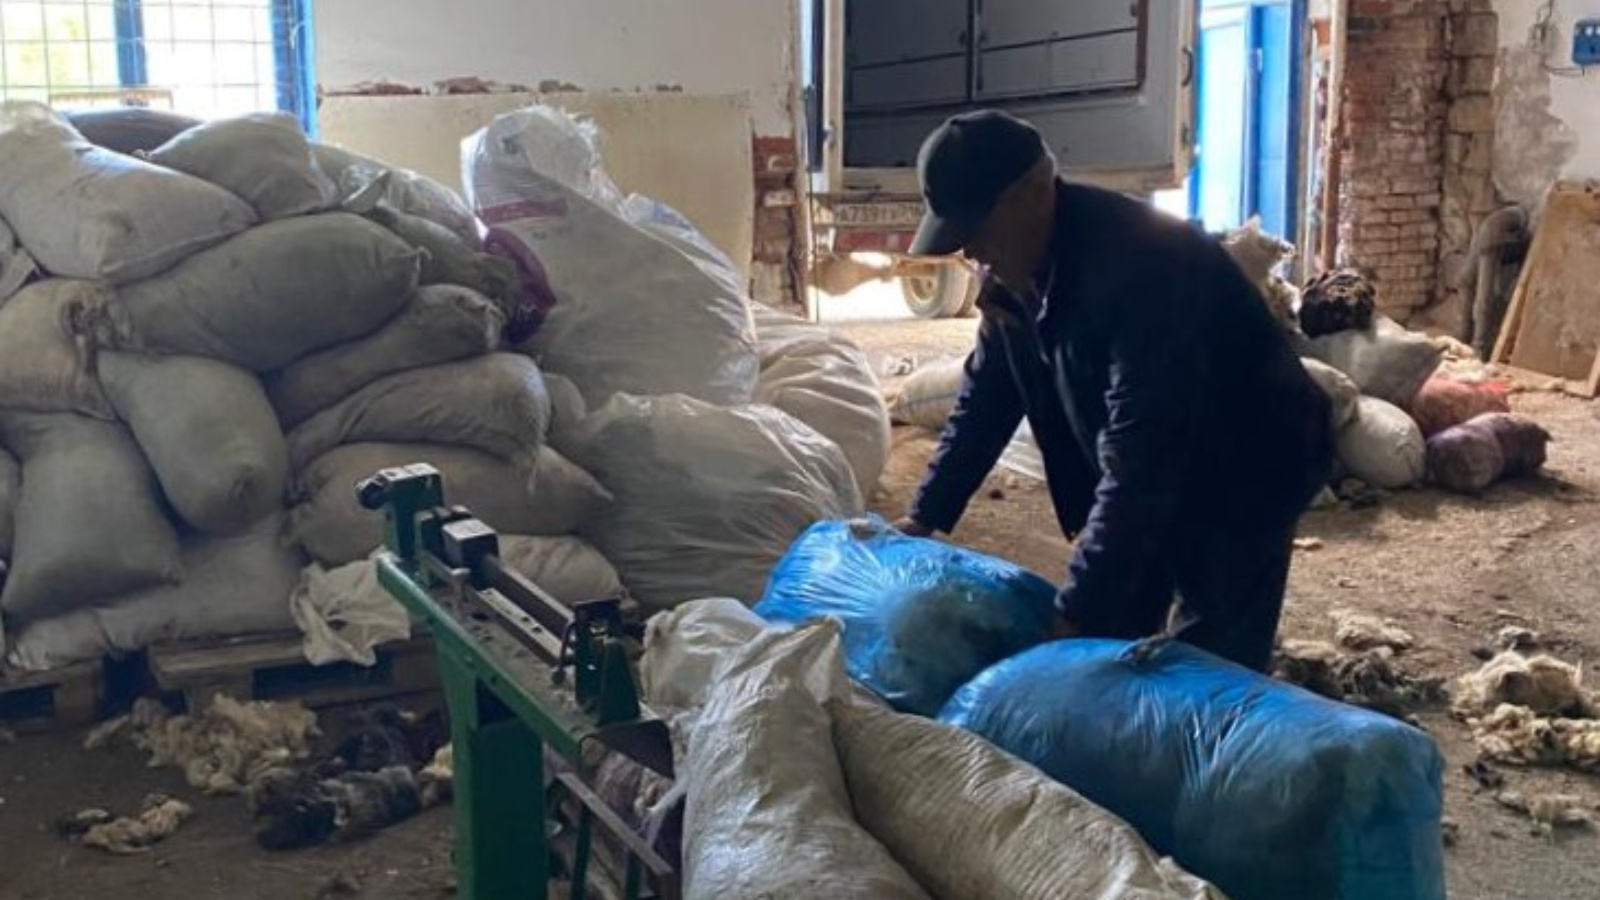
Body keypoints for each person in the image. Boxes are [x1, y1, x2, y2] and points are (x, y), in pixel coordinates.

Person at [895, 110, 1334, 672]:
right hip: (1160, 456)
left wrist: (1076, 610)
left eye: (977, 230)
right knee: (1113, 628)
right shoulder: (1014, 275)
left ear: (1032, 192)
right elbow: (989, 396)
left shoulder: (1145, 268)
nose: (972, 253)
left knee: (1206, 661)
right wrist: (925, 515)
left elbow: (1143, 456)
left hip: (1250, 461)